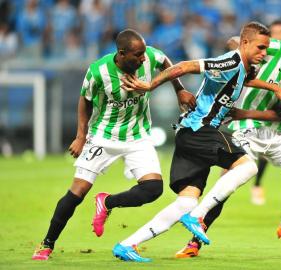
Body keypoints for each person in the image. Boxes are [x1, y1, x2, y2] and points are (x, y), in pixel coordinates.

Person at [111, 21, 281, 262]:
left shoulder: (242, 67)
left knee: (185, 202)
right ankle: (199, 216)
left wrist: (274, 88)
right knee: (248, 166)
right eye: (260, 48)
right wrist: (150, 85)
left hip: (189, 134)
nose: (263, 54)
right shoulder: (232, 61)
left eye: (266, 49)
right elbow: (186, 66)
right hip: (200, 129)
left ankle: (127, 244)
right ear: (245, 43)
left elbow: (243, 78)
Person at [31, 29, 196, 260]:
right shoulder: (98, 71)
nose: (143, 59)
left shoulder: (149, 57)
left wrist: (179, 89)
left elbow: (166, 62)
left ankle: (107, 202)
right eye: (137, 55)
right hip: (102, 137)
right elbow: (85, 100)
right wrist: (81, 135)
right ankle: (47, 243)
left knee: (153, 189)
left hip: (138, 136)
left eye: (143, 54)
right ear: (121, 53)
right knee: (77, 192)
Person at [175, 24, 281, 259]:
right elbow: (232, 42)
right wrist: (239, 51)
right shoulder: (274, 48)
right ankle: (194, 242)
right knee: (229, 180)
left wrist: (242, 113)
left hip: (278, 132)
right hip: (245, 130)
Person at [251, 20, 281, 206]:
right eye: (274, 33)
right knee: (240, 157)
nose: (278, 36)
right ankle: (255, 185)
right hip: (254, 109)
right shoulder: (261, 55)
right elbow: (233, 42)